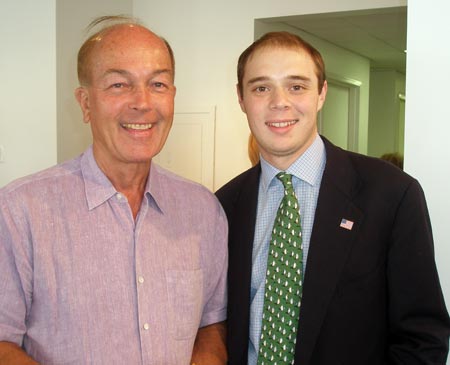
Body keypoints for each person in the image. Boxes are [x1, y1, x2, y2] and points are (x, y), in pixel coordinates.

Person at [0, 16, 227, 365]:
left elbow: (212, 324)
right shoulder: (20, 210)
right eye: (119, 85)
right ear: (85, 102)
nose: (142, 102)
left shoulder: (203, 209)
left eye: (158, 84)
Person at [216, 31, 450, 365]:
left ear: (321, 93)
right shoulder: (222, 206)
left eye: (297, 86)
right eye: (261, 87)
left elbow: (422, 337)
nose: (279, 101)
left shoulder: (392, 195)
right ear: (241, 98)